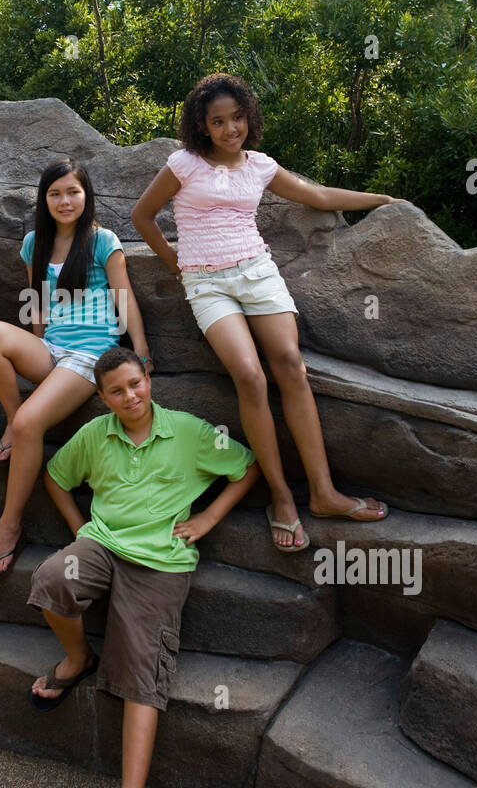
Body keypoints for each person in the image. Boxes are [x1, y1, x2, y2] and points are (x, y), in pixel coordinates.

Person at [132, 71, 404, 552]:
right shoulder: (184, 163)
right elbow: (142, 216)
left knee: (291, 367)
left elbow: (316, 195)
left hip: (258, 273)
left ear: (248, 118)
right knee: (250, 376)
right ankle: (281, 497)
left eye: (236, 118)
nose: (229, 129)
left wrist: (382, 201)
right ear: (203, 126)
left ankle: (323, 493)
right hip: (208, 284)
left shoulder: (259, 165)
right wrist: (178, 264)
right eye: (218, 122)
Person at [28, 345, 259, 788]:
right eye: (116, 390)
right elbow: (56, 477)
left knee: (138, 677)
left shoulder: (190, 431)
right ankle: (79, 656)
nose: (130, 396)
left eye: (136, 383)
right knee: (50, 579)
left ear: (147, 376)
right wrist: (79, 530)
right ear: (102, 397)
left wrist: (208, 517)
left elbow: (247, 466)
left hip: (160, 563)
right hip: (102, 545)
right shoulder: (95, 434)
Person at [0, 158, 152, 577]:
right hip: (51, 347)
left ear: (86, 196)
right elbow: (36, 303)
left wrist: (141, 351)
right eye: (55, 193)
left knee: (30, 424)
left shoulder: (103, 241)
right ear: (44, 199)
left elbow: (124, 299)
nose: (64, 200)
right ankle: (15, 415)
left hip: (89, 356)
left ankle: (9, 524)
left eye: (72, 192)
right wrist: (33, 343)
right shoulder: (35, 243)